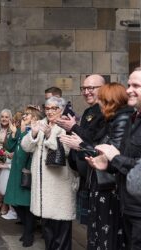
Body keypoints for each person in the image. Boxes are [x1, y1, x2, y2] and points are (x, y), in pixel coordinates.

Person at [62, 83, 132, 250]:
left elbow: (111, 153)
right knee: (97, 230)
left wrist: (82, 146)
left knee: (107, 233)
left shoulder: (121, 118)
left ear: (111, 100)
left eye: (102, 99)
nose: (99, 103)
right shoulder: (111, 118)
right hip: (99, 181)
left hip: (109, 185)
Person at [86, 69, 141, 250]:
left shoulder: (124, 118)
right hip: (129, 203)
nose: (129, 90)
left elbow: (131, 163)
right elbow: (128, 160)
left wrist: (114, 158)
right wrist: (107, 164)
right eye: (129, 85)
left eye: (136, 86)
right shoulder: (134, 118)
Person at [21, 96, 79, 250]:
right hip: (42, 186)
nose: (50, 111)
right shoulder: (41, 124)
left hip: (59, 184)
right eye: (47, 108)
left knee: (61, 227)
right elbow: (26, 147)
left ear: (61, 109)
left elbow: (67, 151)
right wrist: (33, 134)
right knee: (47, 227)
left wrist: (49, 136)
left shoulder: (67, 126)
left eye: (54, 108)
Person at [57, 74, 106, 225]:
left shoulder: (105, 111)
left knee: (99, 224)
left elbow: (94, 142)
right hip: (85, 175)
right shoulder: (88, 112)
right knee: (90, 224)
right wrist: (70, 128)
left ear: (103, 89)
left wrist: (74, 127)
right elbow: (81, 139)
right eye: (83, 88)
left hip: (99, 176)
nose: (86, 92)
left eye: (91, 88)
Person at [4, 105, 43, 247]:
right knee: (15, 202)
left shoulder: (35, 131)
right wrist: (14, 134)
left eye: (27, 115)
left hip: (27, 171)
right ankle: (29, 229)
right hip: (16, 170)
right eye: (24, 114)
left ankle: (29, 233)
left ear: (35, 118)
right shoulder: (21, 131)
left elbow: (30, 149)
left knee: (27, 205)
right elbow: (9, 147)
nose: (24, 116)